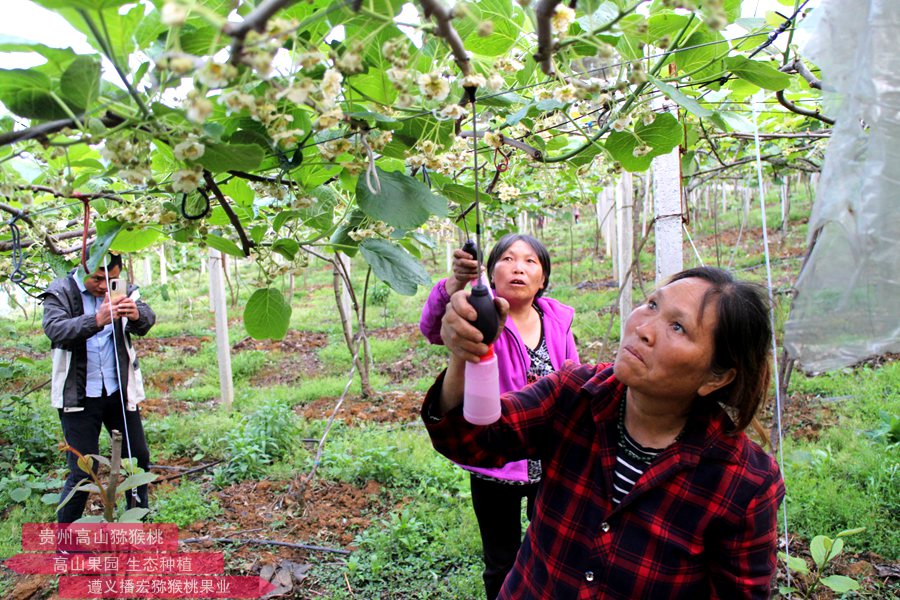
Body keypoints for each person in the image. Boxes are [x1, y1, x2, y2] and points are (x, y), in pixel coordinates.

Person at [423, 266, 785, 599]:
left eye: (678, 327)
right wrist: (465, 354)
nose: (643, 328)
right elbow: (470, 441)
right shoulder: (574, 394)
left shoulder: (743, 483)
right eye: (652, 304)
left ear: (716, 376)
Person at [420, 233, 579, 599]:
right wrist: (454, 284)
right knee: (501, 559)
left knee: (549, 550)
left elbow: (572, 373)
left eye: (530, 261)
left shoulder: (558, 319)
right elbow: (433, 329)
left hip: (549, 460)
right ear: (491, 274)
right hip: (496, 463)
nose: (518, 267)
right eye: (507, 259)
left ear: (543, 278)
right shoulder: (482, 313)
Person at [40, 251, 155, 523]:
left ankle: (136, 523)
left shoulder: (122, 290)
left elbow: (147, 320)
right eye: (98, 278)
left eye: (111, 279)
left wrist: (137, 314)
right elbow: (55, 330)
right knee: (83, 469)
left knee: (136, 459)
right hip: (79, 395)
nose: (105, 286)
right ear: (82, 268)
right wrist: (97, 320)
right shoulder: (61, 291)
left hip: (118, 391)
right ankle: (66, 541)